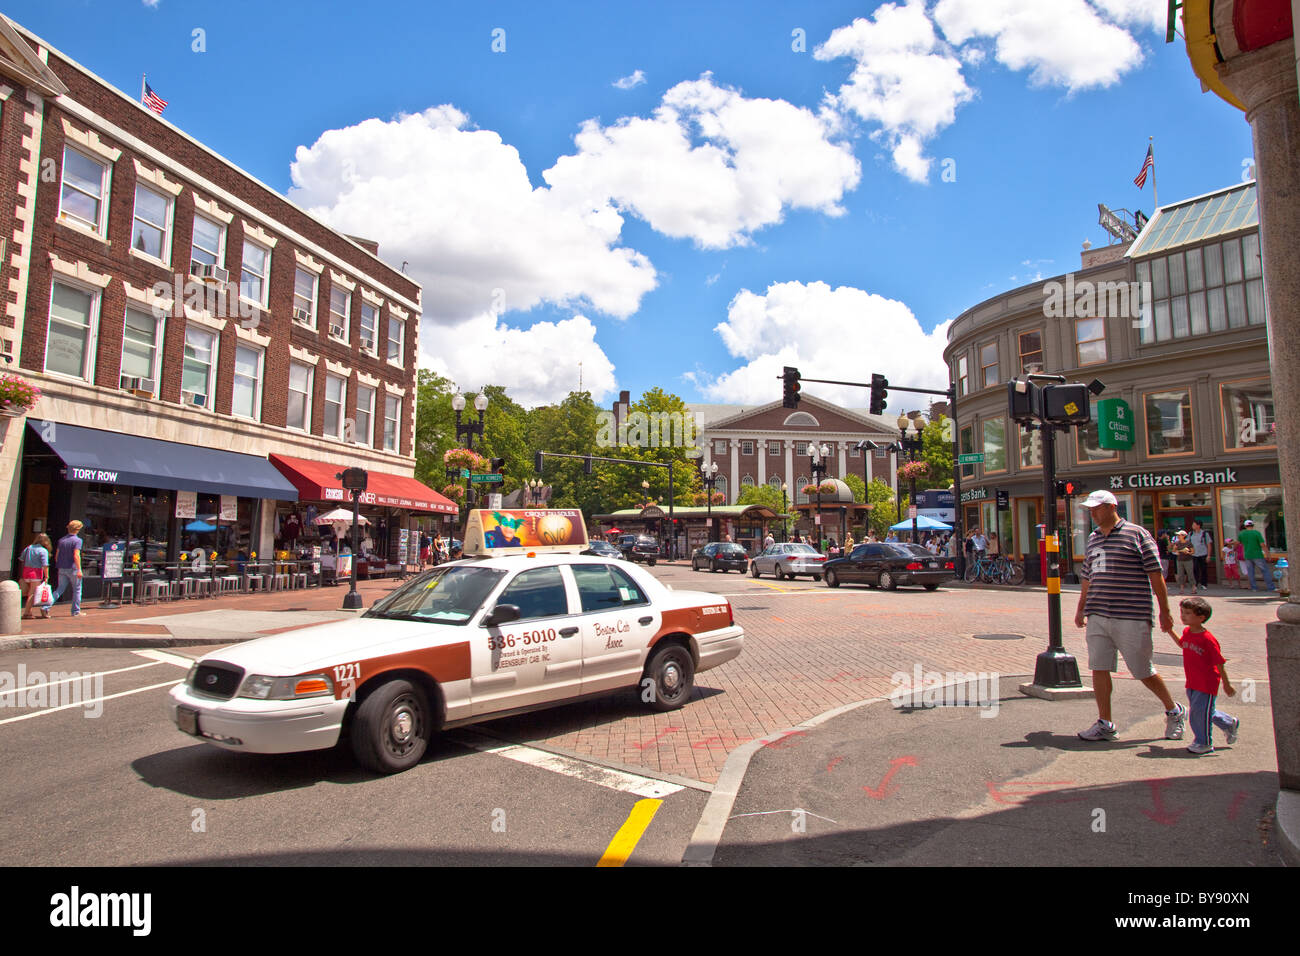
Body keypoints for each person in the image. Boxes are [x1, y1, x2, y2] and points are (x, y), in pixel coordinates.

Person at [1074, 490, 1186, 743]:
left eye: (1097, 508)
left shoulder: (1136, 534)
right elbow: (1087, 576)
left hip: (1132, 613)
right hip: (1098, 612)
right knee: (1098, 667)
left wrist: (1165, 611)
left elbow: (1155, 574)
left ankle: (1174, 710)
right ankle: (1105, 722)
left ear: (1112, 507)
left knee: (1142, 670)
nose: (1092, 513)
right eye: (1090, 509)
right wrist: (1082, 608)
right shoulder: (1092, 539)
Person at [1165, 596, 1239, 755]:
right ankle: (1229, 723)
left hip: (1207, 682)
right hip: (1192, 680)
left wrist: (1226, 683)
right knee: (1204, 711)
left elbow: (1219, 662)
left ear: (1201, 617)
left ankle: (1203, 742)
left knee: (1198, 712)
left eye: (1188, 613)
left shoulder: (1208, 639)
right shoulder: (1187, 632)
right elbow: (1182, 644)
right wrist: (1170, 631)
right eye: (1182, 612)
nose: (1183, 616)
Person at [50, 520, 85, 617]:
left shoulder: (61, 540)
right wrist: (79, 569)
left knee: (59, 589)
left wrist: (60, 564)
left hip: (62, 568)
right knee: (77, 590)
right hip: (73, 568)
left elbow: (57, 556)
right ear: (78, 529)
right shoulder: (78, 540)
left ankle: (46, 606)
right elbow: (76, 555)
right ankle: (75, 611)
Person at [19, 532, 53, 619]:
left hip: (26, 571)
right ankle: (27, 612)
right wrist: (47, 576)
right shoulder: (43, 551)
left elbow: (21, 559)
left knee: (27, 593)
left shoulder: (28, 548)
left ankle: (29, 611)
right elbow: (45, 565)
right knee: (32, 594)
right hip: (35, 573)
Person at [1237, 519, 1272, 592]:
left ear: (1245, 526)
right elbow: (1262, 544)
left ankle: (1254, 588)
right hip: (1257, 554)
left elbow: (1238, 543)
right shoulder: (1256, 533)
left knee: (1250, 572)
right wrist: (1268, 554)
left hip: (1247, 555)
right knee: (1265, 571)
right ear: (1252, 525)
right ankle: (1270, 587)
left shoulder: (1241, 534)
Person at [1189, 519, 1213, 591]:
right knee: (1195, 569)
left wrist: (1208, 555)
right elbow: (1187, 543)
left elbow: (1209, 545)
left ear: (1198, 525)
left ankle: (1204, 584)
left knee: (1203, 569)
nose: (1193, 526)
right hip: (1194, 554)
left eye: (1194, 524)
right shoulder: (1190, 534)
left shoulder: (1204, 534)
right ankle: (1195, 583)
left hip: (1203, 554)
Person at [1171, 530, 1196, 595]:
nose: (1178, 536)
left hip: (1188, 560)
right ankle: (1181, 589)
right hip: (1179, 560)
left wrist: (1188, 552)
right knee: (1180, 574)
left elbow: (1193, 552)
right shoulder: (1177, 543)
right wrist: (1176, 551)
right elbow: (1173, 550)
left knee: (1190, 573)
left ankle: (1193, 588)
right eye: (1178, 535)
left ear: (1184, 536)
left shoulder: (1188, 543)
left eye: (1179, 535)